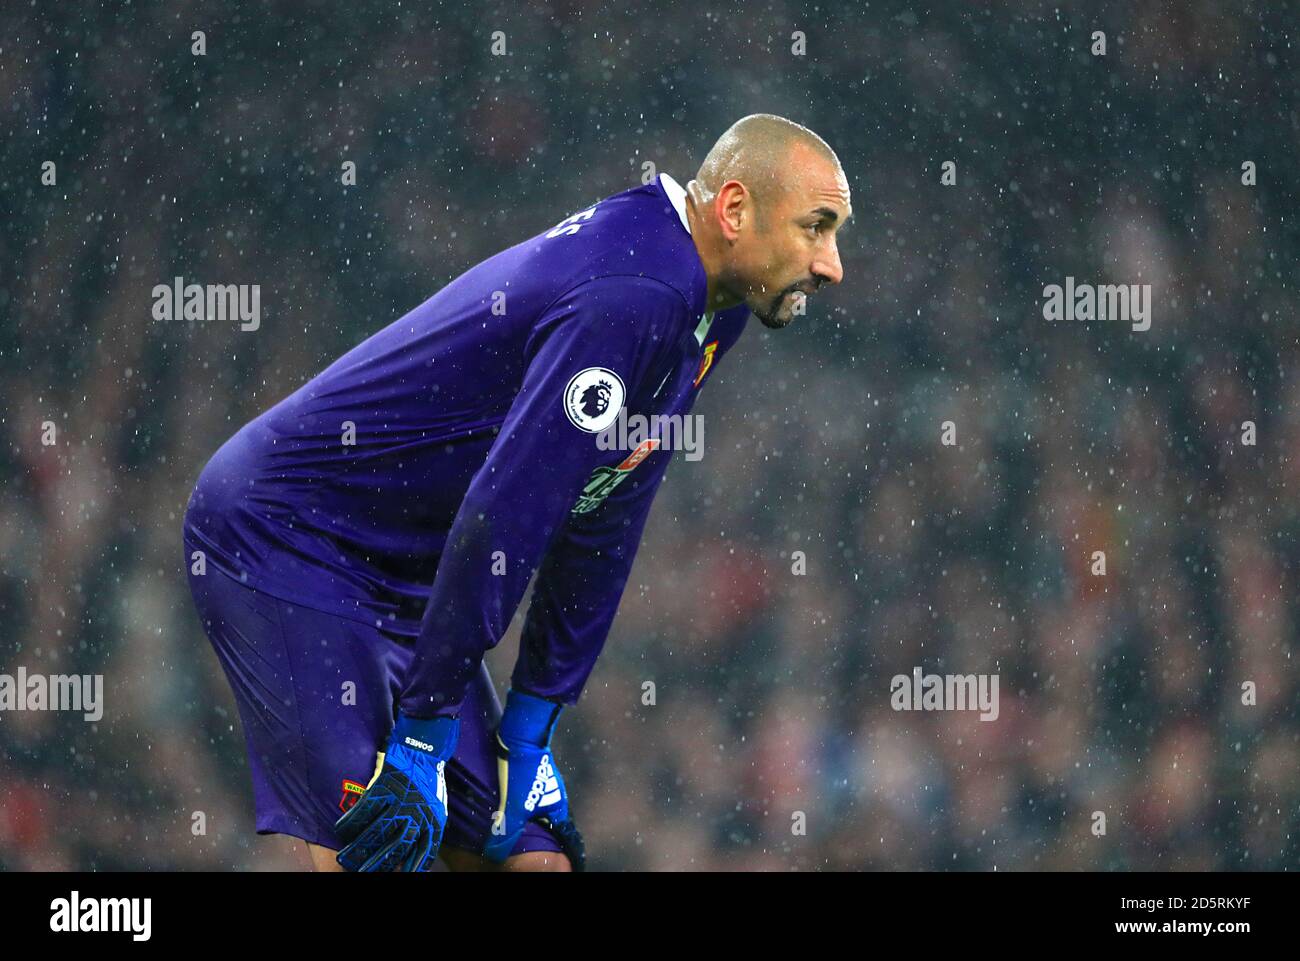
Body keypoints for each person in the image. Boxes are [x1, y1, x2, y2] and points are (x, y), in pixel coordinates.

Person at [182, 113, 850, 872]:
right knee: (380, 853)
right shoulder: (633, 295)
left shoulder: (710, 306)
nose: (832, 265)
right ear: (734, 210)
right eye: (818, 227)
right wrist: (425, 730)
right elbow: (508, 511)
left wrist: (531, 726)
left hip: (409, 574)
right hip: (288, 533)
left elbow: (607, 508)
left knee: (534, 861)